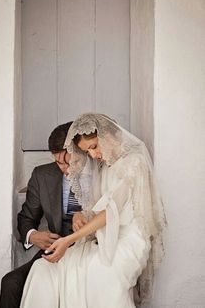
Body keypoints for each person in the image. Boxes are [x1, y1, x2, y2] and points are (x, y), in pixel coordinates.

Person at [20, 113, 166, 308]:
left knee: (97, 274)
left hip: (128, 240)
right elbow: (99, 207)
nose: (93, 155)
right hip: (104, 238)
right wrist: (83, 214)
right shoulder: (104, 165)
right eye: (87, 152)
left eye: (94, 147)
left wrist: (69, 240)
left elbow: (110, 212)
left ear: (108, 135)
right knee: (43, 269)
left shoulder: (134, 162)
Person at [0, 121, 83, 308]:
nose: (65, 169)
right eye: (58, 162)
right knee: (10, 283)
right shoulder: (41, 175)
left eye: (68, 162)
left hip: (89, 250)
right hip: (53, 250)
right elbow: (26, 218)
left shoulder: (98, 172)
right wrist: (33, 235)